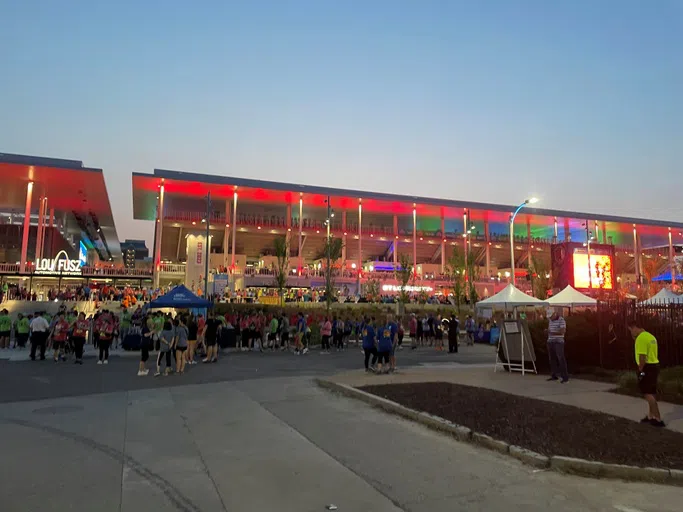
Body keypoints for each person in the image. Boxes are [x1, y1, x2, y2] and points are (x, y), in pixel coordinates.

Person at [628, 319, 664, 427]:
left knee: (647, 393)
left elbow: (642, 357)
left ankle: (657, 419)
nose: (631, 332)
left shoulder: (641, 339)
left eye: (631, 330)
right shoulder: (650, 336)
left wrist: (640, 370)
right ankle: (650, 416)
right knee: (651, 391)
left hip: (646, 368)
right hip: (654, 366)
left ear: (635, 327)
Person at [546, 308, 569, 383]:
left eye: (551, 316)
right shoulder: (550, 320)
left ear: (554, 314)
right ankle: (554, 375)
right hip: (550, 341)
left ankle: (565, 377)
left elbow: (562, 331)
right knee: (552, 359)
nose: (550, 318)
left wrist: (551, 332)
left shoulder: (561, 320)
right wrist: (548, 332)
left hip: (558, 342)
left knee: (560, 358)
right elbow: (550, 330)